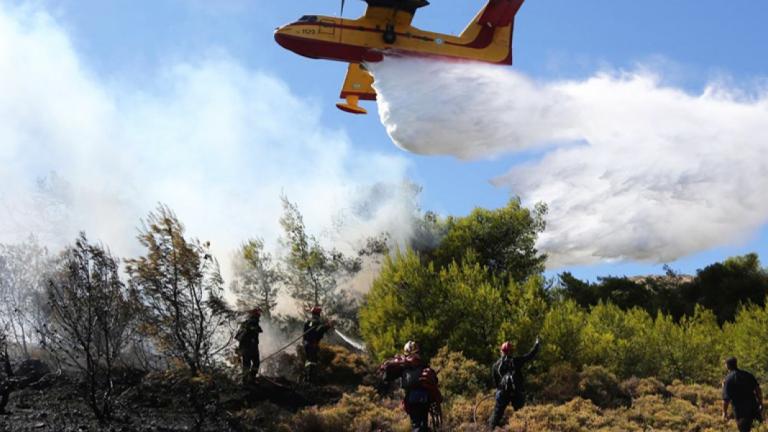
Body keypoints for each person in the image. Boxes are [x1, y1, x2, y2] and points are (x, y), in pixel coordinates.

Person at [379, 341, 442, 432]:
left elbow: (387, 376)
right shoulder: (421, 365)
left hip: (413, 399)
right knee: (421, 425)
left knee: (418, 425)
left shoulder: (404, 365)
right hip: (422, 399)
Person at [489, 337, 541, 428]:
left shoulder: (495, 365)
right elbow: (530, 355)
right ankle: (522, 428)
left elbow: (496, 382)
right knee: (520, 414)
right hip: (516, 392)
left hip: (502, 392)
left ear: (501, 351)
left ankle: (491, 428)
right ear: (511, 351)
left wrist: (499, 390)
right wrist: (536, 344)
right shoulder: (516, 361)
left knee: (497, 414)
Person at [722, 357, 763, 432]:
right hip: (753, 407)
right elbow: (758, 389)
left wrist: (724, 412)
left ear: (727, 365)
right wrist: (760, 403)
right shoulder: (747, 374)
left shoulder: (728, 379)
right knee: (758, 428)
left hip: (741, 412)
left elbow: (726, 399)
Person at [302, 306, 333, 382]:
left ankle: (306, 377)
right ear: (318, 314)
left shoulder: (308, 321)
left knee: (309, 360)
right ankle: (310, 379)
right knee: (312, 361)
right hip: (312, 344)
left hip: (307, 344)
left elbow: (306, 334)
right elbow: (319, 331)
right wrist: (327, 326)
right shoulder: (315, 322)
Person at [236, 308, 263, 383]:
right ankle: (249, 380)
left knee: (247, 364)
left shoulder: (246, 322)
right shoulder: (252, 322)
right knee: (254, 363)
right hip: (249, 347)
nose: (259, 316)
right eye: (258, 314)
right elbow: (256, 330)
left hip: (246, 347)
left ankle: (247, 380)